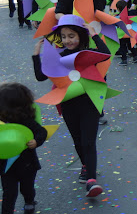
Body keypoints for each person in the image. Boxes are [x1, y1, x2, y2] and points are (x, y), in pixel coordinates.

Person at [32, 15, 108, 197]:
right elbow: (41, 76)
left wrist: (94, 35)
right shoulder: (60, 56)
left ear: (81, 35)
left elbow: (105, 54)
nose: (68, 40)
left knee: (88, 141)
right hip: (67, 103)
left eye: (72, 35)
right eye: (64, 36)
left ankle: (91, 180)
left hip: (89, 102)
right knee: (77, 140)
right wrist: (36, 56)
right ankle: (85, 165)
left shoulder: (88, 54)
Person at [0, 83, 48, 214]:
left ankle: (29, 201)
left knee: (27, 188)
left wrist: (36, 141)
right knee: (9, 194)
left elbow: (42, 131)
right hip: (6, 166)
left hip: (27, 164)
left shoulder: (26, 121)